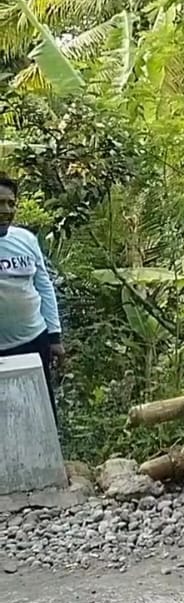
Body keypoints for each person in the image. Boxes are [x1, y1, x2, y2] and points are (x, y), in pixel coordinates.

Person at [0, 174, 65, 422]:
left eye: (10, 203)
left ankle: (49, 460)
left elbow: (44, 285)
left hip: (32, 342)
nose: (5, 210)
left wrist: (54, 336)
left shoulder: (25, 239)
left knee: (40, 411)